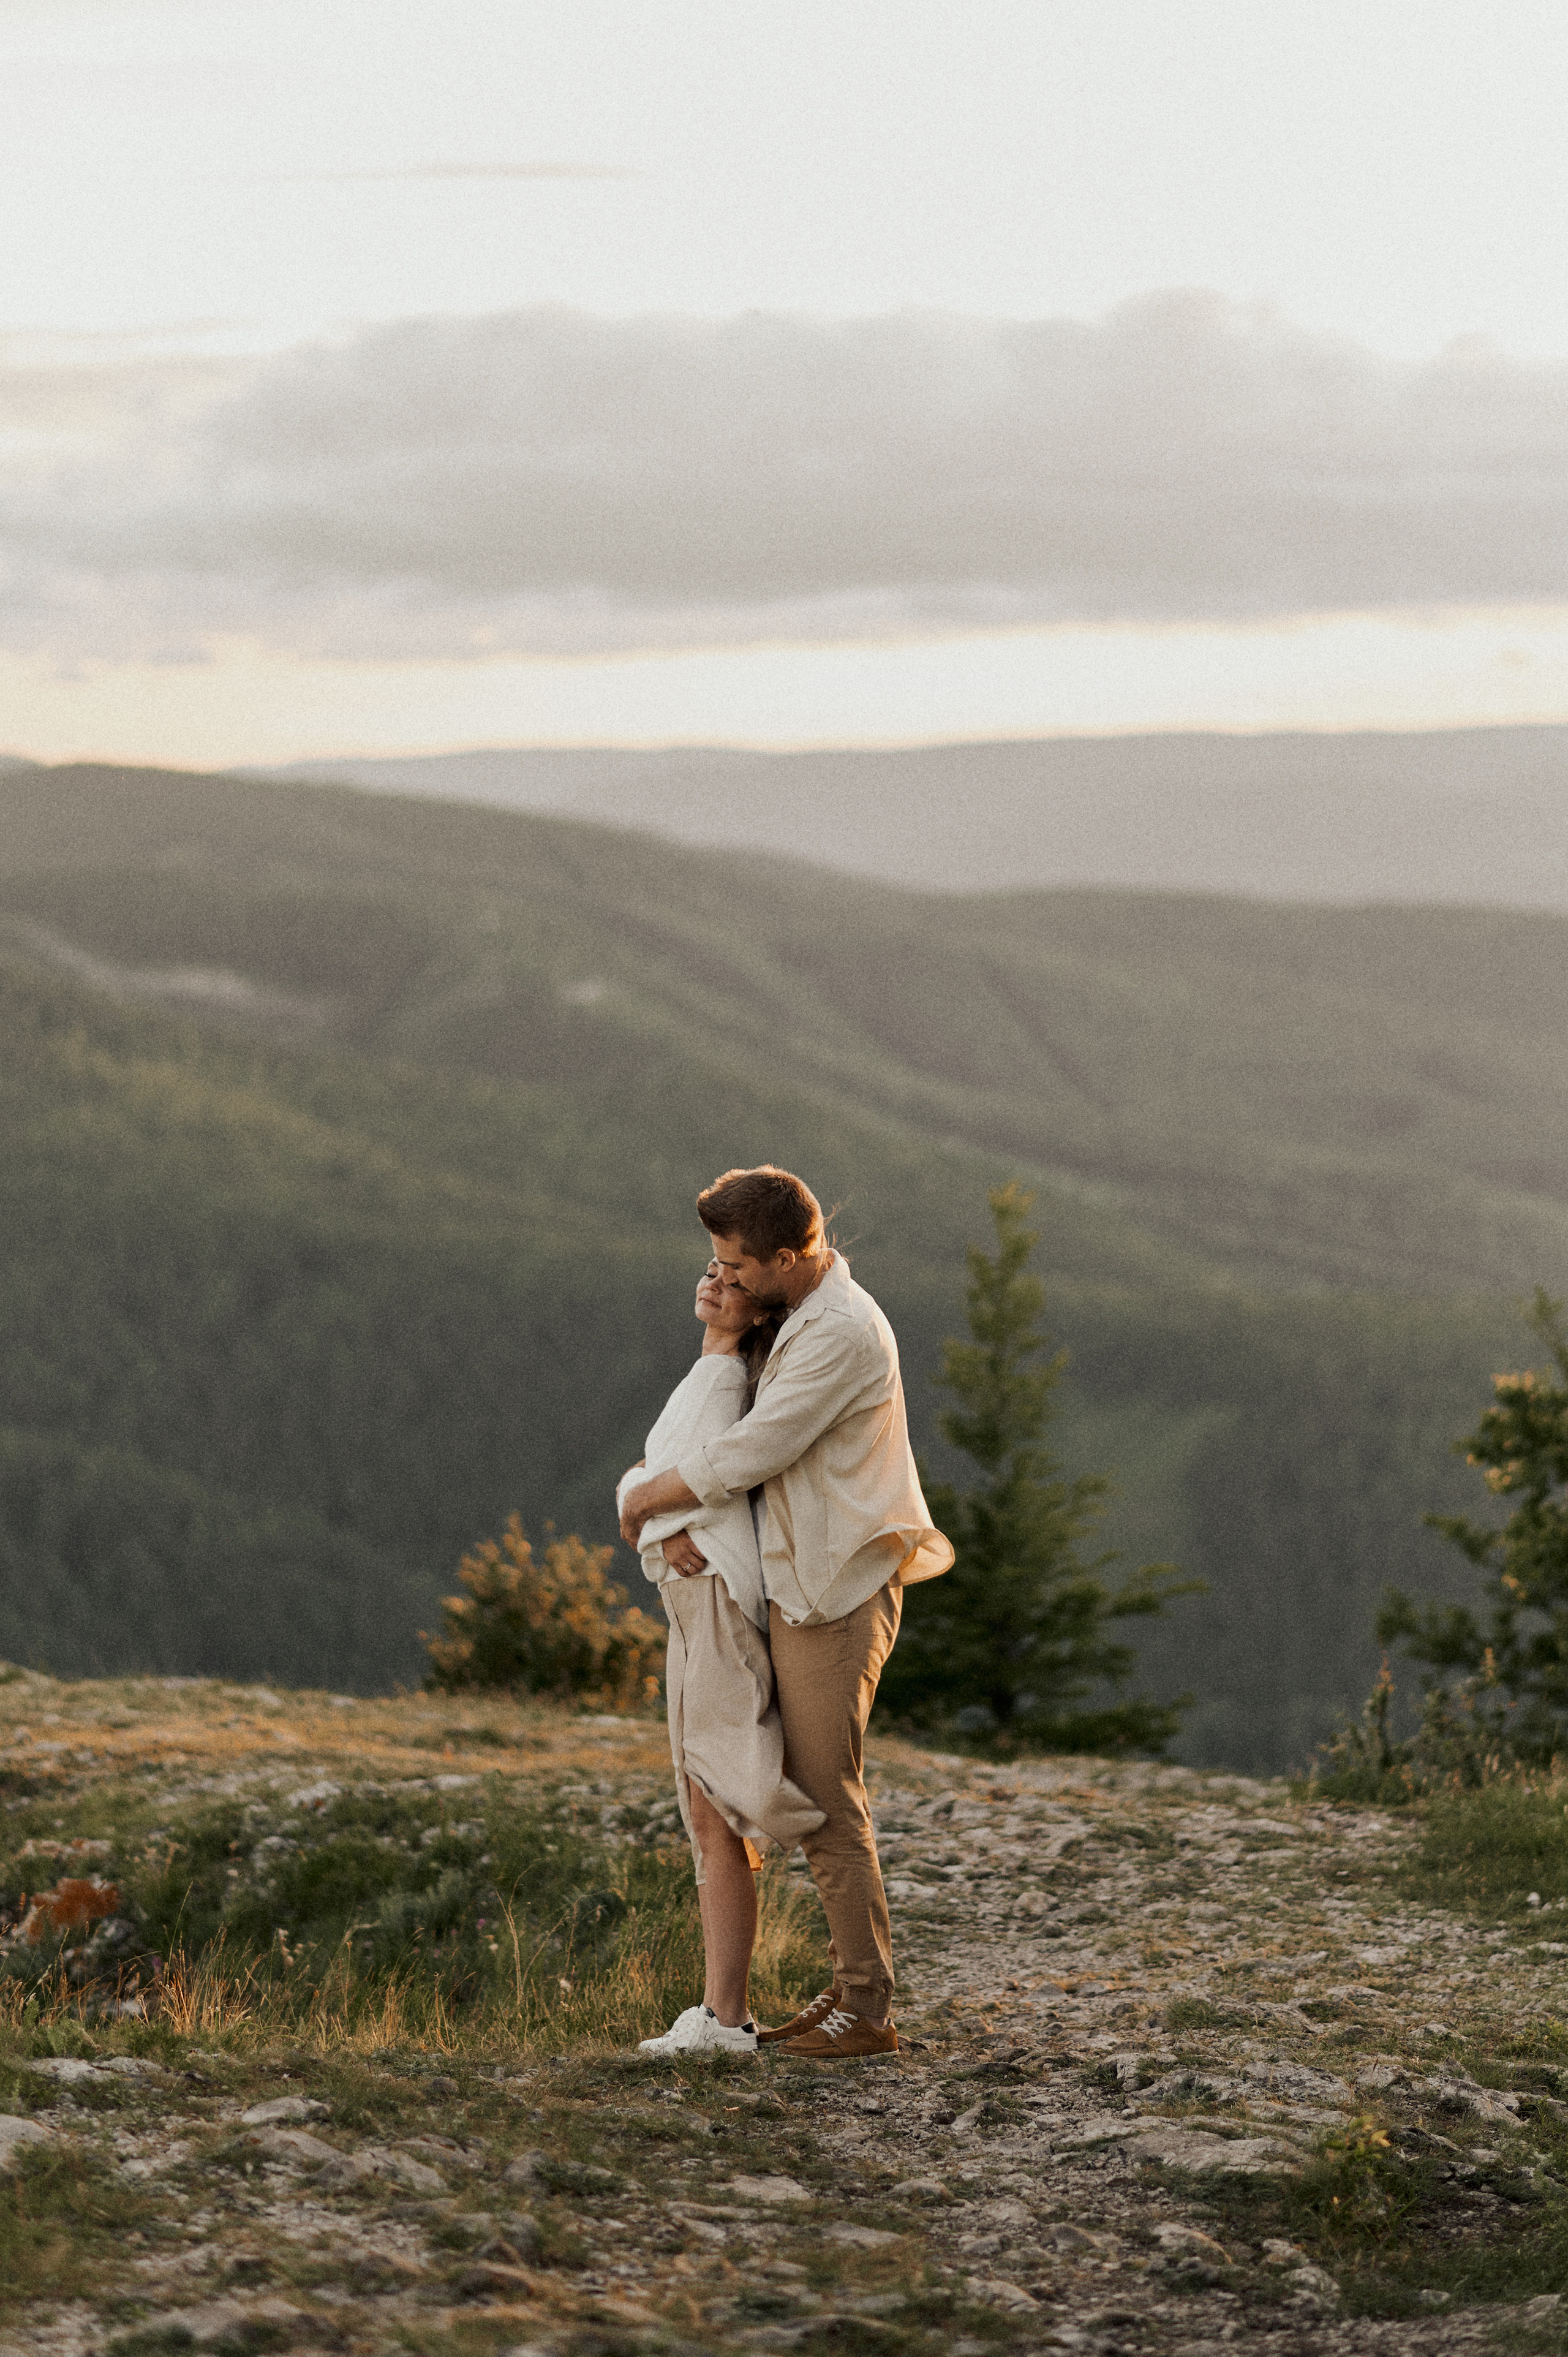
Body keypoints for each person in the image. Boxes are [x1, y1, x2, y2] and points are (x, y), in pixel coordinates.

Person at [621, 1165, 953, 2059]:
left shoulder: (840, 1332)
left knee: (825, 1792)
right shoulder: (790, 1315)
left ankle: (866, 2010)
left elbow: (752, 1451)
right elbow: (709, 1435)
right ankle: (844, 1993)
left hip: (833, 1589)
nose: (722, 1276)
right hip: (789, 1582)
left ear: (787, 1256)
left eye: (736, 1264)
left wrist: (649, 1500)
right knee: (801, 1784)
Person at [617, 1262, 824, 2056]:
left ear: (758, 1308)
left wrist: (661, 1517)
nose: (712, 1279)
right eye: (709, 1268)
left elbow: (695, 1486)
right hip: (690, 1608)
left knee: (720, 1809)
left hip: (713, 1603)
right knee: (706, 1813)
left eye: (732, 1278)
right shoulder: (708, 1373)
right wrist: (655, 1515)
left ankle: (728, 2016)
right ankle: (719, 2012)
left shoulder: (729, 1384)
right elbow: (642, 1483)